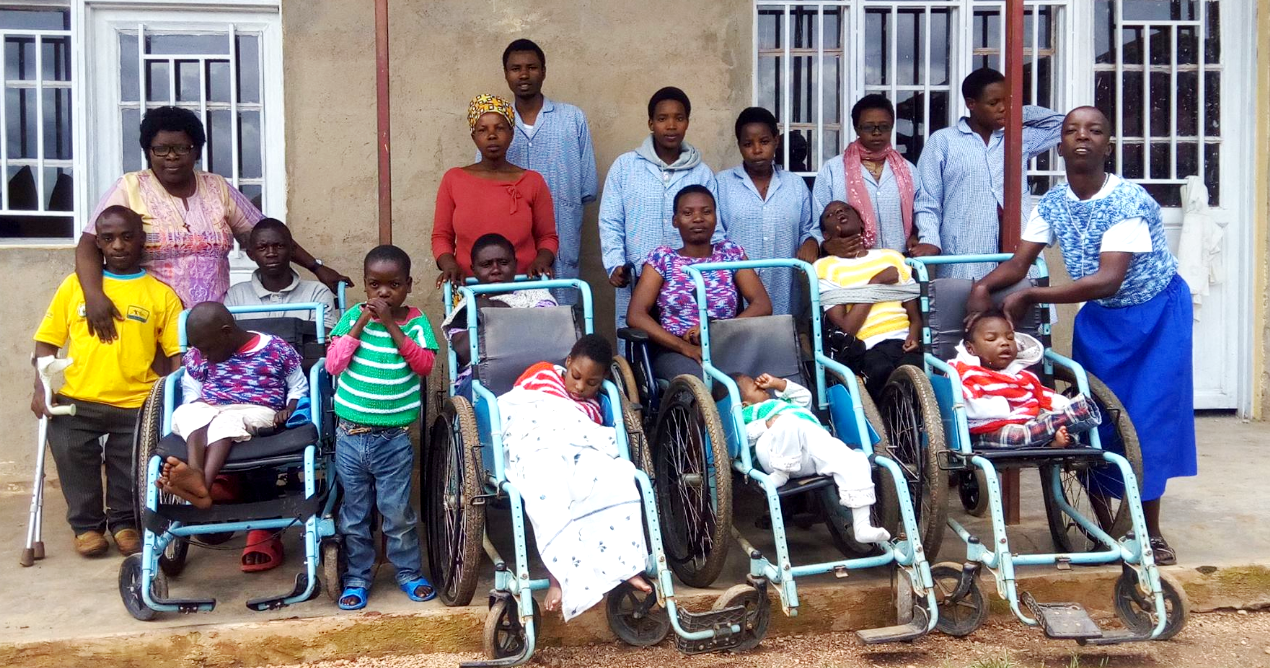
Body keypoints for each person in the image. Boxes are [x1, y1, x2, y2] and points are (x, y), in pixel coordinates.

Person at [966, 106, 1196, 565]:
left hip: (1156, 315)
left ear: (1108, 144)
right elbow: (1019, 261)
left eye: (1094, 130)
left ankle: (1149, 532)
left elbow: (1108, 278)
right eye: (1072, 131)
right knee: (1093, 418)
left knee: (1146, 421)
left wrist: (1033, 294)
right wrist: (983, 286)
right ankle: (1100, 525)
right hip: (1105, 319)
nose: (1082, 137)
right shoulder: (1052, 202)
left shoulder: (1129, 200)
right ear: (1060, 144)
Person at [79, 106, 348, 340]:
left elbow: (265, 233)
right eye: (161, 149)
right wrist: (94, 296)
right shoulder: (130, 187)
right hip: (153, 318)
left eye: (182, 148)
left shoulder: (216, 187)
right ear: (148, 151)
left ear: (196, 150)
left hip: (215, 323)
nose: (171, 156)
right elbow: (89, 244)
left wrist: (316, 266)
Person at [31, 206, 183, 558]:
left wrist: (173, 398)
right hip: (76, 397)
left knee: (127, 465)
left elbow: (176, 354)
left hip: (136, 401)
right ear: (97, 242)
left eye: (127, 237)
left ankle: (125, 523)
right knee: (72, 456)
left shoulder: (160, 295)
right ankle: (86, 528)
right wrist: (41, 387)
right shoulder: (74, 287)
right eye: (109, 238)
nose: (118, 245)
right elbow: (46, 341)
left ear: (141, 241)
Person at [497, 335, 653, 620]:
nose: (580, 387)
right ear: (567, 363)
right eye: (576, 376)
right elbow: (515, 404)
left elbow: (591, 430)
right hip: (537, 444)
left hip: (579, 445)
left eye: (592, 383)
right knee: (549, 482)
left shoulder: (595, 403)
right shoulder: (542, 374)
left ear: (603, 378)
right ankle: (558, 577)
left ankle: (627, 566)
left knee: (619, 476)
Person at [325, 245, 438, 609]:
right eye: (375, 285)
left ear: (408, 285)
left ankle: (407, 572)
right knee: (355, 515)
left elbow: (423, 365)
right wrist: (361, 322)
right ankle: (358, 576)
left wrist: (391, 324)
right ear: (365, 285)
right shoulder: (351, 319)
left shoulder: (417, 322)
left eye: (393, 285)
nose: (383, 293)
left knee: (397, 513)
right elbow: (334, 364)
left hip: (394, 440)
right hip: (350, 437)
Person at [914, 68, 1064, 279]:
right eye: (993, 103)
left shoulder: (1018, 138)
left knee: (1023, 307)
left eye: (1006, 101)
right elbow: (927, 199)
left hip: (1015, 247)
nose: (1002, 108)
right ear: (971, 104)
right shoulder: (943, 141)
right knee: (966, 306)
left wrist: (1017, 112)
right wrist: (929, 238)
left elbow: (1063, 124)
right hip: (965, 249)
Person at [157, 302, 307, 511]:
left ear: (226, 332)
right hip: (211, 409)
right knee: (186, 411)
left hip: (258, 410)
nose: (205, 356)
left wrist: (290, 409)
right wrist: (197, 403)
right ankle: (196, 474)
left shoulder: (275, 348)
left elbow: (298, 386)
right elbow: (191, 390)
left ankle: (202, 486)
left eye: (208, 349)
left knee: (225, 420)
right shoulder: (199, 354)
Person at [599, 86, 719, 329]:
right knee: (637, 343)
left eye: (679, 118)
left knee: (685, 339)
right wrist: (615, 263)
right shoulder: (626, 166)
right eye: (662, 119)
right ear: (650, 123)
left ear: (687, 123)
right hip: (636, 278)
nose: (671, 125)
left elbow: (715, 228)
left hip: (687, 281)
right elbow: (610, 221)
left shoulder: (701, 172)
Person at [626, 186, 771, 380]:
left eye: (706, 212)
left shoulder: (730, 253)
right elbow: (636, 315)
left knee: (764, 376)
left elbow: (762, 304)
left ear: (716, 217)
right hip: (674, 350)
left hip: (726, 343)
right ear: (675, 221)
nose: (698, 219)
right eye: (687, 213)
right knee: (707, 382)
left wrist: (716, 330)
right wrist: (684, 347)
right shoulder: (662, 258)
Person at [492, 39, 598, 305]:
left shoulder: (572, 119)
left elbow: (587, 188)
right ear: (506, 74)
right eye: (515, 68)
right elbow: (486, 182)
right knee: (513, 316)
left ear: (544, 71)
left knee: (564, 318)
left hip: (562, 240)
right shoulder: (496, 123)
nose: (524, 74)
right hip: (511, 243)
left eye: (532, 67)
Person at [733, 372, 889, 544]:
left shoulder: (783, 404)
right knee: (788, 423)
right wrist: (764, 424)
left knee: (854, 460)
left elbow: (804, 396)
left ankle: (862, 527)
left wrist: (777, 383)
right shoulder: (748, 413)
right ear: (744, 403)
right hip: (774, 453)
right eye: (755, 387)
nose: (761, 386)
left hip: (809, 450)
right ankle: (782, 473)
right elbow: (740, 438)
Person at [433, 94, 559, 287]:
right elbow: (442, 236)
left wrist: (541, 261)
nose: (492, 135)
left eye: (499, 128)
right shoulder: (454, 179)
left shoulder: (532, 181)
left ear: (511, 132)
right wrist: (449, 264)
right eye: (482, 129)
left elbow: (547, 237)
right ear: (473, 136)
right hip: (468, 287)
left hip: (524, 286)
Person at [814, 201, 922, 398]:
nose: (838, 213)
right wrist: (876, 282)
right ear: (826, 235)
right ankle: (893, 426)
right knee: (880, 371)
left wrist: (914, 336)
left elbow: (914, 316)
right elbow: (848, 330)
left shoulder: (892, 257)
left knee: (917, 371)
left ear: (862, 223)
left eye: (844, 209)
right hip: (867, 348)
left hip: (902, 342)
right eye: (830, 215)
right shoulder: (825, 267)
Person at [716, 107, 818, 316]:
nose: (756, 150)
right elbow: (715, 236)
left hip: (785, 293)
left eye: (764, 142)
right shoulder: (722, 184)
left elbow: (808, 228)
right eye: (748, 144)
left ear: (776, 141)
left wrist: (810, 241)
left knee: (784, 346)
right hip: (736, 296)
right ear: (739, 146)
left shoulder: (795, 185)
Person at [951, 309, 1101, 449]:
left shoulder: (1020, 375)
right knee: (1019, 435)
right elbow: (967, 405)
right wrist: (1005, 408)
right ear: (971, 349)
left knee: (1056, 417)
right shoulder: (970, 374)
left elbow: (1040, 394)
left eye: (1010, 338)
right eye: (992, 339)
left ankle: (1060, 429)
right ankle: (1051, 434)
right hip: (990, 429)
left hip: (1029, 421)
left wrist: (1061, 404)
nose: (1004, 342)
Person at [812, 94, 931, 256]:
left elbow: (923, 209)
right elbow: (816, 222)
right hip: (850, 265)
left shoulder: (908, 170)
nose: (877, 133)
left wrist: (921, 236)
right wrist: (826, 245)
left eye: (884, 127)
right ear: (856, 128)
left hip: (900, 263)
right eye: (869, 127)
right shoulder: (833, 170)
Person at [442, 233, 557, 396]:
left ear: (515, 264)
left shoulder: (536, 296)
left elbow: (553, 336)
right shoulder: (468, 303)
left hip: (535, 373)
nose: (496, 270)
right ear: (474, 270)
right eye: (486, 264)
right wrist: (481, 312)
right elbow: (463, 354)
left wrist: (495, 311)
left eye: (503, 263)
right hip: (483, 379)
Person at [224, 218, 340, 332]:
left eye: (279, 246)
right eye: (262, 248)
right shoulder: (236, 295)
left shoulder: (316, 293)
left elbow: (323, 343)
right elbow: (229, 341)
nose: (271, 253)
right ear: (251, 254)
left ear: (293, 250)